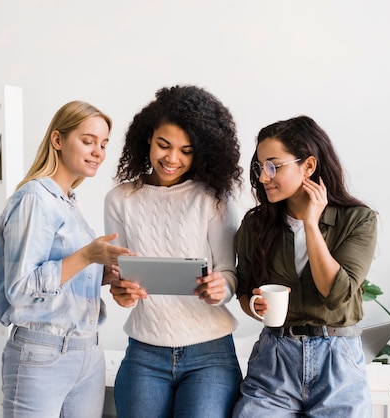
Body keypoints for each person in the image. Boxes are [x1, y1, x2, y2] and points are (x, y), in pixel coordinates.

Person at [105, 85, 244, 418]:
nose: (172, 159)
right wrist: (119, 290)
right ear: (148, 139)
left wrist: (220, 288)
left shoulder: (213, 199)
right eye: (163, 145)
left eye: (186, 150)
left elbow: (229, 271)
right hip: (145, 352)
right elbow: (116, 271)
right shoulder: (119, 199)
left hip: (210, 354)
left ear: (202, 152)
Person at [232, 116, 378, 417]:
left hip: (337, 361)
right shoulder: (255, 224)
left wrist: (311, 224)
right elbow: (245, 292)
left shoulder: (358, 220)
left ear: (308, 166)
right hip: (274, 359)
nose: (263, 177)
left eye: (274, 166)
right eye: (259, 167)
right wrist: (255, 305)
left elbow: (335, 294)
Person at [0, 100, 131, 418]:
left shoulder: (68, 202)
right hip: (41, 354)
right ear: (58, 140)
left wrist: (105, 275)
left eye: (104, 144)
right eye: (88, 140)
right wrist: (87, 256)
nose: (98, 151)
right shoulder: (33, 199)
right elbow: (21, 288)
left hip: (87, 352)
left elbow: (64, 277)